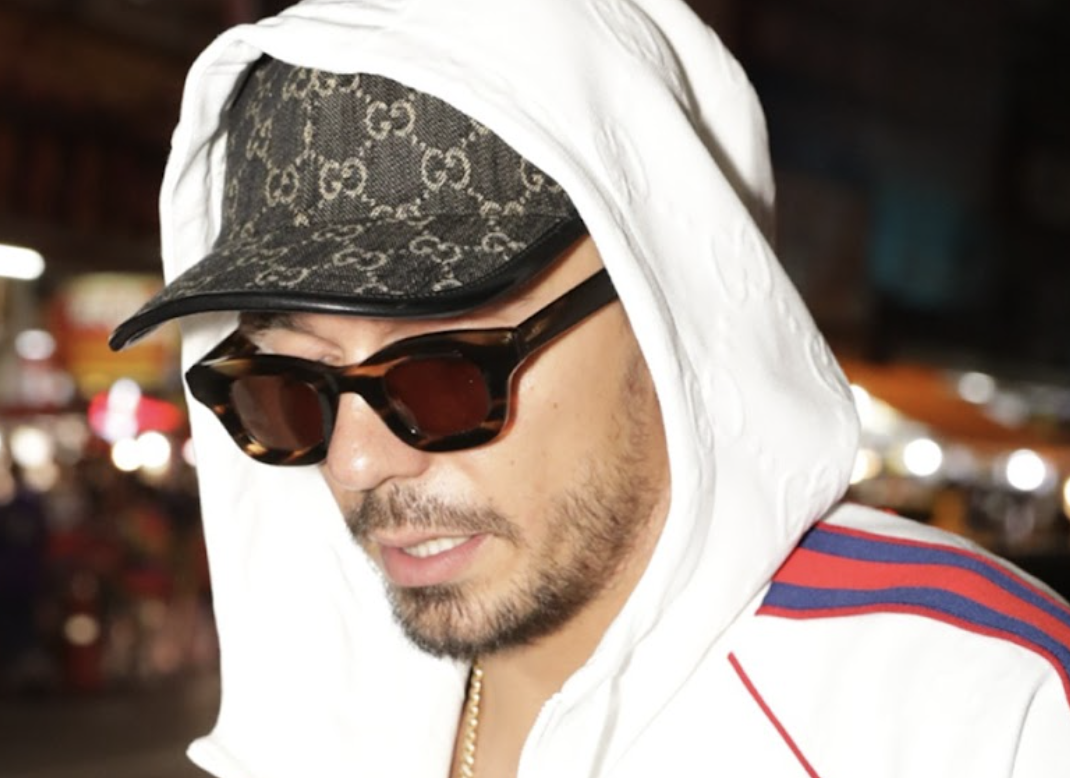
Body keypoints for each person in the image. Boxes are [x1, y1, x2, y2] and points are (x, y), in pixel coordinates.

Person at [109, 1, 1070, 775]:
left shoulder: (981, 713)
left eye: (444, 373)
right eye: (289, 387)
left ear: (668, 309)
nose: (356, 462)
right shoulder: (328, 711)